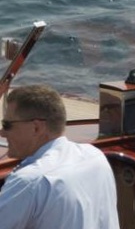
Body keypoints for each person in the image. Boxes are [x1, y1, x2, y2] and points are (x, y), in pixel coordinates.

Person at [0, 85, 120, 229]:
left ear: (36, 128)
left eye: (7, 125)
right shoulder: (96, 157)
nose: (2, 133)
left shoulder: (29, 181)